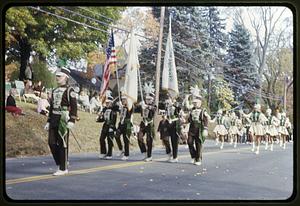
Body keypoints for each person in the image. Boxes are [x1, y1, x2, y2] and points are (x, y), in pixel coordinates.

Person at [44, 67, 77, 176]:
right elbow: (52, 107)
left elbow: (74, 106)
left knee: (62, 143)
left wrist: (72, 120)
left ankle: (63, 168)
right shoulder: (54, 91)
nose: (57, 78)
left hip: (63, 119)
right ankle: (61, 163)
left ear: (65, 78)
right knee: (51, 142)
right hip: (54, 118)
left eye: (60, 76)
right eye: (57, 76)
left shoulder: (70, 91)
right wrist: (48, 121)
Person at [187, 92, 209, 166]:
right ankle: (193, 156)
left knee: (198, 144)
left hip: (199, 128)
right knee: (189, 142)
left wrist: (205, 128)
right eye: (194, 103)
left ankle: (198, 158)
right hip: (192, 128)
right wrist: (184, 121)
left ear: (200, 103)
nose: (195, 104)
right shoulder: (191, 110)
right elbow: (189, 119)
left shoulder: (203, 111)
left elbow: (205, 120)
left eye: (196, 103)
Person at [137, 85, 156, 162]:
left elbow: (154, 110)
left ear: (152, 100)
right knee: (139, 137)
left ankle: (149, 155)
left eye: (149, 99)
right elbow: (135, 108)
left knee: (149, 140)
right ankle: (144, 152)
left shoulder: (153, 105)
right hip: (143, 123)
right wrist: (140, 105)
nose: (147, 101)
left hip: (149, 123)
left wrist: (147, 106)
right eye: (146, 99)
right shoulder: (143, 105)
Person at [97, 92, 118, 159]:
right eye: (106, 103)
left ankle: (110, 153)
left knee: (110, 140)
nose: (107, 104)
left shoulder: (114, 109)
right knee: (101, 139)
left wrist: (112, 127)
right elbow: (103, 119)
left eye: (108, 103)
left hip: (111, 127)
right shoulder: (104, 109)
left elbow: (114, 119)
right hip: (105, 126)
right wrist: (99, 118)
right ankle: (103, 152)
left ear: (111, 103)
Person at [115, 95, 133, 160]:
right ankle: (120, 149)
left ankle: (126, 154)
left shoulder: (130, 107)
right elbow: (113, 108)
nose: (123, 101)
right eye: (122, 99)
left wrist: (124, 107)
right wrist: (118, 106)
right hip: (121, 124)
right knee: (116, 135)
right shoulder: (121, 106)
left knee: (126, 140)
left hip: (127, 124)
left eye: (124, 100)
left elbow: (129, 112)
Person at [165, 96, 181, 163]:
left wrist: (174, 104)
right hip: (167, 123)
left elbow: (179, 109)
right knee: (165, 139)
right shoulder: (167, 106)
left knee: (174, 141)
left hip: (175, 124)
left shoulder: (176, 106)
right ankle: (169, 153)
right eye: (168, 98)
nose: (169, 100)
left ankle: (175, 157)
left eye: (170, 98)